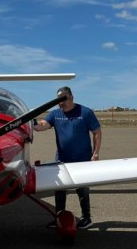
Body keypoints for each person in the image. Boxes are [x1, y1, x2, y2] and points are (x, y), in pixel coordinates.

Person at [34, 86, 102, 229]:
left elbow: (97, 132)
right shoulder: (55, 114)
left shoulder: (86, 112)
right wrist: (33, 122)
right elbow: (42, 126)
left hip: (82, 159)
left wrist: (95, 154)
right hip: (62, 159)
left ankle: (86, 218)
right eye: (58, 101)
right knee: (59, 189)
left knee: (82, 189)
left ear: (71, 97)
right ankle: (59, 217)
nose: (61, 103)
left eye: (64, 99)